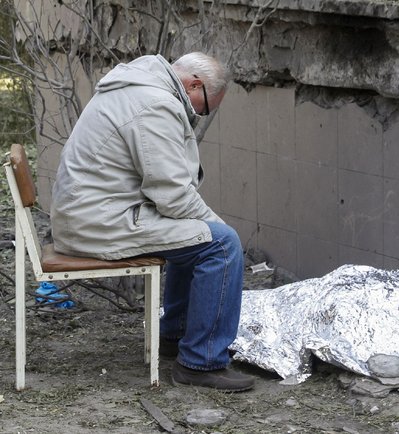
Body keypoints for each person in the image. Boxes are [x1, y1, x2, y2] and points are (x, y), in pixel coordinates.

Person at [50, 52, 255, 392]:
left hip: (88, 214)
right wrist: (222, 229)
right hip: (96, 222)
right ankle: (201, 362)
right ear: (194, 84)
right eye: (203, 108)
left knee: (198, 238)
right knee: (220, 243)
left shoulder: (137, 84)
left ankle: (174, 335)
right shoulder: (155, 103)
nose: (200, 116)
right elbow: (172, 195)